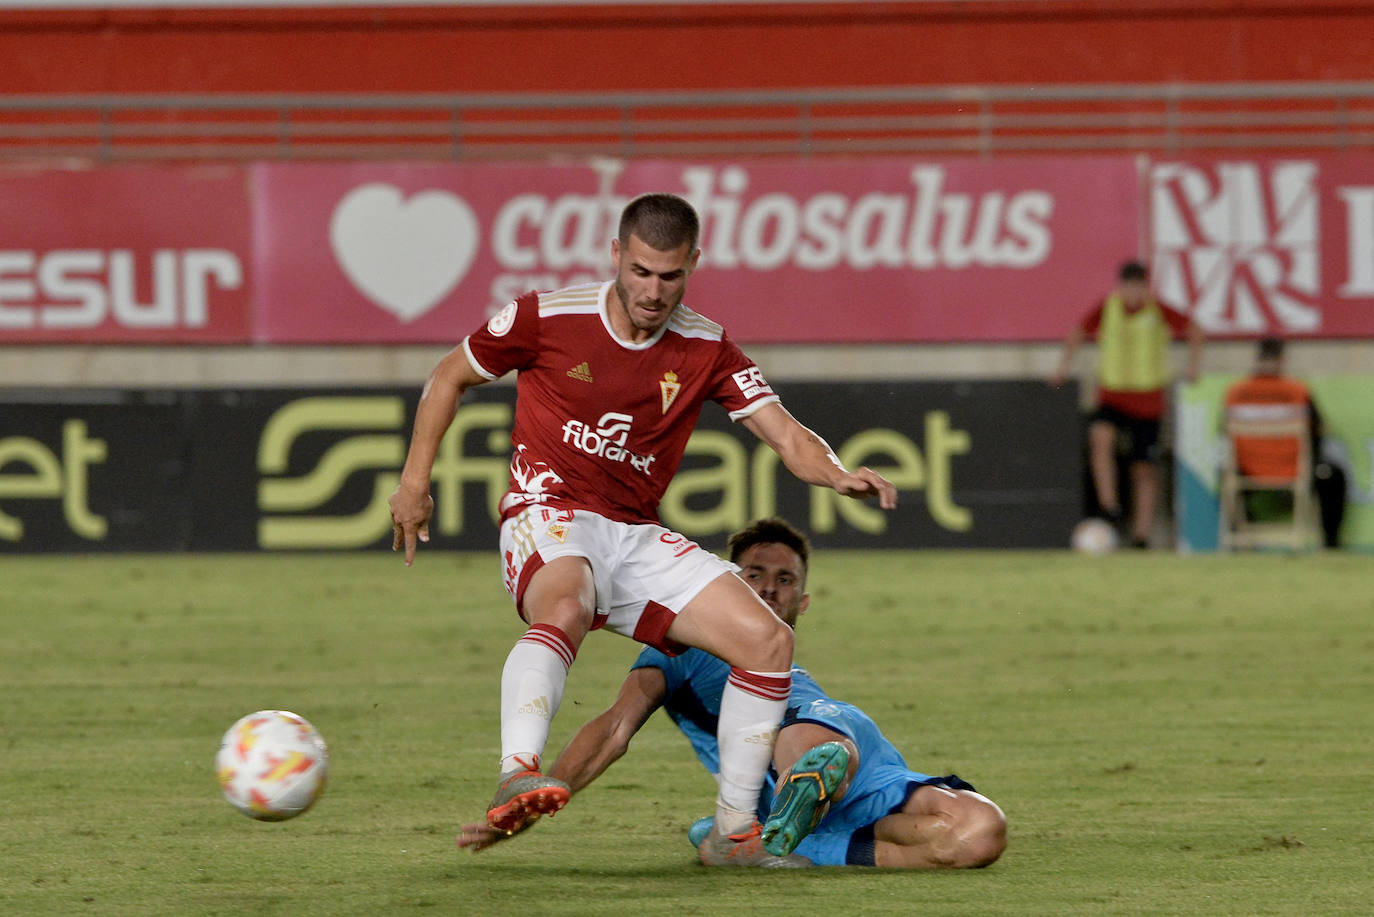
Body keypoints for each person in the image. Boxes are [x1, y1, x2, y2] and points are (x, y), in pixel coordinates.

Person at [388, 193, 897, 868]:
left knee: (768, 640)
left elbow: (784, 431)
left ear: (693, 266)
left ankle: (733, 833)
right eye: (641, 272)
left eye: (670, 276)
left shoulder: (706, 345)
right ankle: (518, 769)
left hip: (633, 533)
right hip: (549, 509)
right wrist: (415, 481)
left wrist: (836, 474)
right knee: (566, 602)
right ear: (616, 256)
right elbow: (448, 375)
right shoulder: (546, 316)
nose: (654, 292)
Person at [457, 518, 1007, 869]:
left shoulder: (788, 664)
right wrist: (532, 805)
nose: (768, 587)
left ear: (803, 601)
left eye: (785, 580)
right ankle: (804, 793)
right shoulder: (680, 651)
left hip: (871, 774)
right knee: (815, 735)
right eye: (753, 575)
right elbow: (613, 729)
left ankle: (792, 831)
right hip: (800, 754)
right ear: (722, 581)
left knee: (984, 833)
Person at [1052, 260, 1205, 548]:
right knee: (1100, 437)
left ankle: (1141, 535)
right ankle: (1110, 506)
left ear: (1145, 287)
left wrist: (1193, 367)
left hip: (1149, 400)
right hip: (1112, 395)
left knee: (1143, 469)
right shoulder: (1107, 308)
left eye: (1138, 287)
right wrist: (1062, 367)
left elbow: (1196, 330)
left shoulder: (1158, 309)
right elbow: (1077, 332)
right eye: (1128, 287)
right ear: (1120, 286)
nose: (1133, 293)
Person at [1224, 337, 1346, 548]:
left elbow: (1224, 433)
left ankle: (1240, 536)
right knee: (1333, 475)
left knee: (1225, 474)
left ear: (1257, 358)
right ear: (1282, 359)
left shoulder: (1235, 392)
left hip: (1248, 470)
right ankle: (1331, 542)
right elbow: (1318, 431)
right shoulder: (1298, 390)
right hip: (1295, 468)